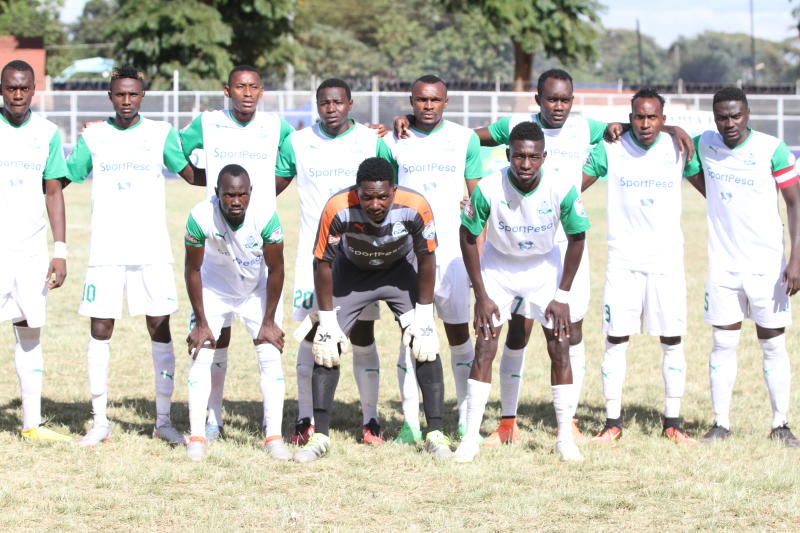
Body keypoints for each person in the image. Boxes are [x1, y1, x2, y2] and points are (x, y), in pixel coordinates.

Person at [66, 65, 198, 446]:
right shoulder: (94, 136)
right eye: (119, 95)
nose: (126, 101)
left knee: (160, 327)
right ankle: (99, 422)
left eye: (133, 94)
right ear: (110, 97)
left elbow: (190, 175)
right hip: (105, 251)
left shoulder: (160, 133)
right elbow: (65, 174)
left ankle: (163, 421)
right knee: (100, 329)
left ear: (142, 96)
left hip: (151, 249)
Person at [294, 157, 452, 462]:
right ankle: (320, 437)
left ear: (394, 190)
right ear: (357, 191)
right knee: (327, 346)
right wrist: (326, 322)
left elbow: (428, 258)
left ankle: (435, 432)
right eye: (367, 196)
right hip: (352, 273)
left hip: (399, 272)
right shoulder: (337, 207)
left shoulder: (415, 205)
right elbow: (322, 263)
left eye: (383, 196)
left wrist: (424, 314)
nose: (375, 204)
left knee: (424, 344)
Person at [454, 121, 590, 463]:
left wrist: (562, 294)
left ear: (543, 156)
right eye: (518, 157)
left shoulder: (562, 187)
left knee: (559, 346)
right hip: (499, 267)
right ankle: (470, 437)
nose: (525, 164)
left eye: (532, 157)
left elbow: (578, 239)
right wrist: (481, 295)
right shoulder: (487, 187)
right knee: (485, 345)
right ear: (507, 155)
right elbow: (468, 236)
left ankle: (564, 438)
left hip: (544, 267)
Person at [275, 79, 396, 445]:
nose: (331, 108)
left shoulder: (371, 141)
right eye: (324, 102)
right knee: (313, 334)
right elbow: (270, 188)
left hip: (361, 253)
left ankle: (371, 419)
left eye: (338, 102)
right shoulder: (296, 142)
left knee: (363, 334)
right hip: (314, 257)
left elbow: (393, 189)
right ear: (316, 104)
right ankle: (305, 418)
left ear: (350, 104)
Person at [179, 65, 293, 441]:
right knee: (214, 339)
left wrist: (262, 195)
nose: (247, 93)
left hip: (254, 237)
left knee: (267, 343)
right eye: (239, 87)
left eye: (253, 87)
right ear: (227, 90)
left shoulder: (276, 127)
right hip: (219, 244)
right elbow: (172, 147)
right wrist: (202, 180)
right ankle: (212, 420)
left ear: (261, 91)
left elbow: (299, 152)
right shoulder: (209, 123)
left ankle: (271, 431)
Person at [582, 88, 701, 446]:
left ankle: (672, 422)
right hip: (623, 260)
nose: (645, 123)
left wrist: (673, 130)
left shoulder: (680, 147)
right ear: (628, 117)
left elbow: (710, 189)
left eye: (652, 117)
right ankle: (612, 422)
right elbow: (575, 187)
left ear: (663, 119)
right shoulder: (611, 147)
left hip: (667, 260)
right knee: (616, 339)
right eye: (638, 116)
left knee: (672, 340)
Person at [685, 87, 800, 446]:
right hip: (724, 265)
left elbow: (795, 204)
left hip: (768, 266)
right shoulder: (705, 143)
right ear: (714, 117)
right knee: (722, 343)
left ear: (747, 113)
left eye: (735, 116)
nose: (729, 123)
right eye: (722, 117)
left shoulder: (771, 149)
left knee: (773, 345)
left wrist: (797, 258)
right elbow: (676, 145)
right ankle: (721, 423)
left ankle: (780, 424)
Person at [382, 75, 487, 441]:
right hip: (408, 254)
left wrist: (480, 256)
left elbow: (478, 202)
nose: (428, 106)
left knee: (459, 334)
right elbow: (383, 199)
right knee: (410, 336)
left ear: (446, 102)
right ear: (411, 102)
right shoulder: (393, 140)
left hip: (454, 255)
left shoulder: (465, 139)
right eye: (421, 100)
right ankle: (410, 424)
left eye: (435, 100)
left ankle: (464, 418)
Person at [184, 164, 288, 461]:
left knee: (270, 352)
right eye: (229, 195)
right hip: (214, 289)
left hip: (255, 290)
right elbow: (192, 269)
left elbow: (277, 268)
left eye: (242, 194)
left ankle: (274, 437)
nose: (236, 201)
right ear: (217, 193)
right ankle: (198, 436)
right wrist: (201, 322)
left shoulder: (266, 216)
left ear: (250, 193)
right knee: (201, 352)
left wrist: (268, 321)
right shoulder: (200, 216)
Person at [0, 59, 71, 441]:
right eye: (11, 87)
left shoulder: (47, 132)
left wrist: (60, 250)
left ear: (34, 89)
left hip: (30, 252)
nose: (17, 94)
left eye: (24, 88)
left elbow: (54, 191)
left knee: (30, 331)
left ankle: (31, 423)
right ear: (1, 88)